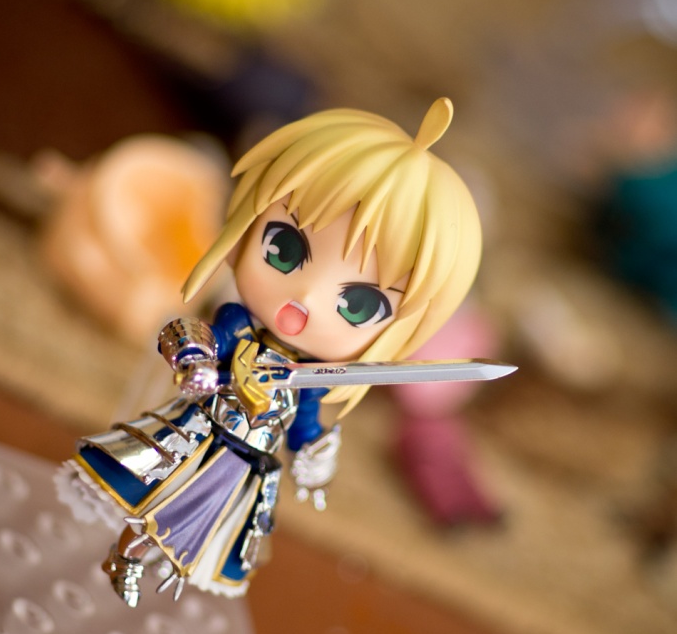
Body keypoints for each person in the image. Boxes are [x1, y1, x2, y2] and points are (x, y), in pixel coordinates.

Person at [55, 99, 482, 603]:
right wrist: (193, 361)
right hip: (195, 436)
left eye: (358, 304)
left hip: (242, 465)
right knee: (149, 503)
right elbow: (193, 334)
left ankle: (138, 567)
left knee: (189, 534)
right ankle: (123, 557)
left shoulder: (313, 378)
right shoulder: (239, 325)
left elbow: (304, 427)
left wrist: (316, 456)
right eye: (284, 248)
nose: (306, 299)